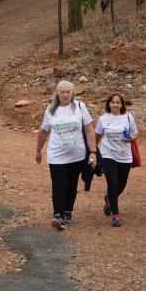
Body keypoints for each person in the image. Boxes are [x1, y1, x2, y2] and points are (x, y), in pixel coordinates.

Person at [35, 80, 97, 231]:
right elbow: (44, 131)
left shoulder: (80, 107)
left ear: (72, 93)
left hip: (77, 155)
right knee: (58, 184)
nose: (65, 95)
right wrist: (38, 150)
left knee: (71, 184)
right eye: (62, 92)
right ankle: (58, 215)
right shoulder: (51, 110)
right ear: (58, 93)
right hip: (56, 154)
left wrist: (93, 152)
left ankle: (68, 211)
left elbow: (89, 130)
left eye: (68, 92)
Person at [95, 92, 138, 227]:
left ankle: (109, 199)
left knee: (122, 184)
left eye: (118, 102)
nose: (115, 104)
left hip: (125, 155)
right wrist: (94, 151)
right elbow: (97, 135)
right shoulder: (103, 119)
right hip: (108, 154)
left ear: (121, 104)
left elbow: (135, 133)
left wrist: (131, 138)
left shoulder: (128, 117)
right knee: (113, 181)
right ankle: (116, 214)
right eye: (112, 102)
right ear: (108, 104)